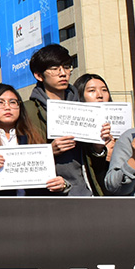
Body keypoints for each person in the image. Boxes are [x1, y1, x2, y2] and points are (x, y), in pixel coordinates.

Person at [23, 44, 103, 196]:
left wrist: (98, 147)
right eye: (54, 69)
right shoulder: (27, 111)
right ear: (39, 75)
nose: (63, 73)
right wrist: (49, 151)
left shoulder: (85, 108)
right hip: (50, 195)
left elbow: (95, 161)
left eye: (66, 67)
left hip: (86, 192)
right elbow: (19, 157)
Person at [73, 72, 116, 194]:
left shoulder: (122, 129)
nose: (100, 95)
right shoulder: (75, 133)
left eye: (104, 90)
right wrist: (99, 152)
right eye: (92, 90)